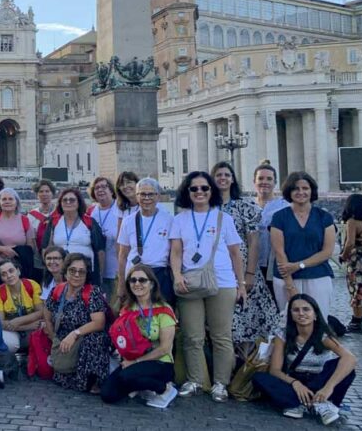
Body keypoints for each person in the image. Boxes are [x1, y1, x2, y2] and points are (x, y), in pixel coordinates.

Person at [170, 171, 246, 402]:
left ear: (212, 191)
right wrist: (177, 275)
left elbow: (236, 253)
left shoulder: (224, 219)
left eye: (204, 188)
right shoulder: (180, 219)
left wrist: (241, 284)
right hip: (190, 281)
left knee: (221, 336)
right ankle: (195, 380)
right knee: (192, 336)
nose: (199, 192)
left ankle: (221, 383)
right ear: (187, 192)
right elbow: (176, 252)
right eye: (194, 188)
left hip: (222, 281)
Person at [253, 294, 357, 425]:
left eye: (306, 309)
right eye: (296, 310)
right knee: (259, 377)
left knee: (346, 369)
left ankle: (324, 403)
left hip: (320, 380)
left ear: (315, 314)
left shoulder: (323, 335)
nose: (301, 313)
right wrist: (295, 383)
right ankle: (301, 404)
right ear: (291, 315)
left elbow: (350, 358)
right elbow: (275, 370)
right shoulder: (283, 335)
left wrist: (328, 387)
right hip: (295, 380)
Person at [213, 161, 277, 349]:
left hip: (242, 268)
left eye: (227, 175)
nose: (223, 178)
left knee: (248, 317)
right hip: (216, 271)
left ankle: (248, 360)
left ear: (232, 179)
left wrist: (249, 274)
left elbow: (254, 242)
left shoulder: (244, 207)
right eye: (219, 175)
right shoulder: (206, 207)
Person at [100, 264, 179, 409]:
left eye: (142, 280)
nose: (137, 283)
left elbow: (165, 349)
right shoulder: (128, 308)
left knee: (126, 376)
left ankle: (165, 390)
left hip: (160, 362)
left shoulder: (164, 309)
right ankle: (142, 387)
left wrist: (135, 362)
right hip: (132, 361)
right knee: (108, 394)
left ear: (152, 284)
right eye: (133, 280)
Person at [41, 254, 112, 393]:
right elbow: (47, 316)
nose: (77, 275)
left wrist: (75, 334)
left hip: (84, 339)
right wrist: (54, 338)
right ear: (65, 271)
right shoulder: (57, 291)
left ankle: (92, 381)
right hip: (63, 342)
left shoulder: (92, 293)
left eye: (81, 271)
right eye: (72, 270)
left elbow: (99, 323)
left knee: (96, 338)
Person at [271, 172, 336, 320]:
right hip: (286, 279)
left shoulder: (324, 217)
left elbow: (327, 251)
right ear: (289, 191)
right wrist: (290, 286)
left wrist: (299, 265)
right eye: (296, 188)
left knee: (319, 320)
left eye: (305, 188)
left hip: (318, 276)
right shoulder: (279, 217)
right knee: (288, 322)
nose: (301, 192)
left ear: (311, 191)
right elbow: (279, 252)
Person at [116, 178, 174, 305]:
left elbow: (174, 252)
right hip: (134, 274)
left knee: (161, 312)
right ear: (137, 196)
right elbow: (122, 255)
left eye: (151, 194)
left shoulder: (169, 220)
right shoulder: (128, 221)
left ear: (158, 196)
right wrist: (121, 284)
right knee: (136, 312)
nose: (146, 198)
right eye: (142, 194)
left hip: (159, 274)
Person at [38, 188, 106, 287]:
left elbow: (100, 250)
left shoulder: (89, 221)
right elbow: (46, 248)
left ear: (78, 203)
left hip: (84, 271)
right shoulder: (54, 221)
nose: (68, 202)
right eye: (65, 200)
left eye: (72, 200)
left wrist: (100, 274)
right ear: (60, 203)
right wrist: (49, 269)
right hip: (60, 271)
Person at [0, 187, 36, 286]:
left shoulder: (25, 220)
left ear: (16, 202)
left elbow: (31, 247)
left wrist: (16, 251)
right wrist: (4, 249)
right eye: (4, 199)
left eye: (10, 199)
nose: (7, 202)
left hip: (17, 270)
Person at [253, 161, 288, 304]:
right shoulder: (246, 205)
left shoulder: (284, 206)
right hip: (251, 266)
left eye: (269, 179)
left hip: (274, 265)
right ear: (254, 181)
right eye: (260, 178)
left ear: (275, 182)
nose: (264, 182)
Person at [0, 259, 43, 355]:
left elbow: (41, 312)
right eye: (4, 274)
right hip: (14, 329)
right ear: (1, 278)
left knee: (45, 325)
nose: (9, 276)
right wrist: (25, 326)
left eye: (11, 271)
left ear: (18, 271)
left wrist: (18, 321)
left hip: (30, 326)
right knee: (8, 342)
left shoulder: (32, 285)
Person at [87, 176, 120, 295]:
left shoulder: (120, 208)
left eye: (104, 187)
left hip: (116, 268)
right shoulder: (91, 211)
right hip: (97, 269)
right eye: (96, 188)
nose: (100, 190)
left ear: (111, 190)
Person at [340, 193, 362, 333]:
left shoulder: (352, 221)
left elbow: (350, 243)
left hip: (358, 260)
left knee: (357, 290)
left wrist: (343, 256)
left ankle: (357, 322)